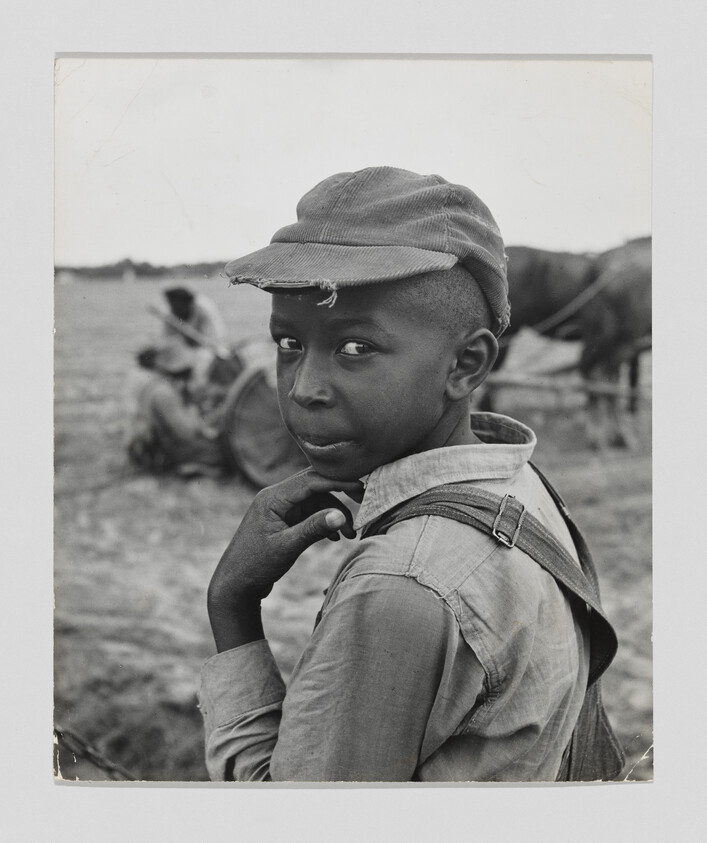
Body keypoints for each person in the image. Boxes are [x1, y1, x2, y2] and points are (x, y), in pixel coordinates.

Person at [199, 166, 618, 781]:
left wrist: (231, 607)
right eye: (288, 344)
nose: (304, 388)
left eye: (354, 349)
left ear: (466, 364)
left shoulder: (402, 584)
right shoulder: (519, 485)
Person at [127, 339, 225, 477]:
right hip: (159, 452)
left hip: (157, 444)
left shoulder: (157, 385)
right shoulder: (164, 393)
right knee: (222, 452)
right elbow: (187, 433)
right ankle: (190, 466)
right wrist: (193, 408)